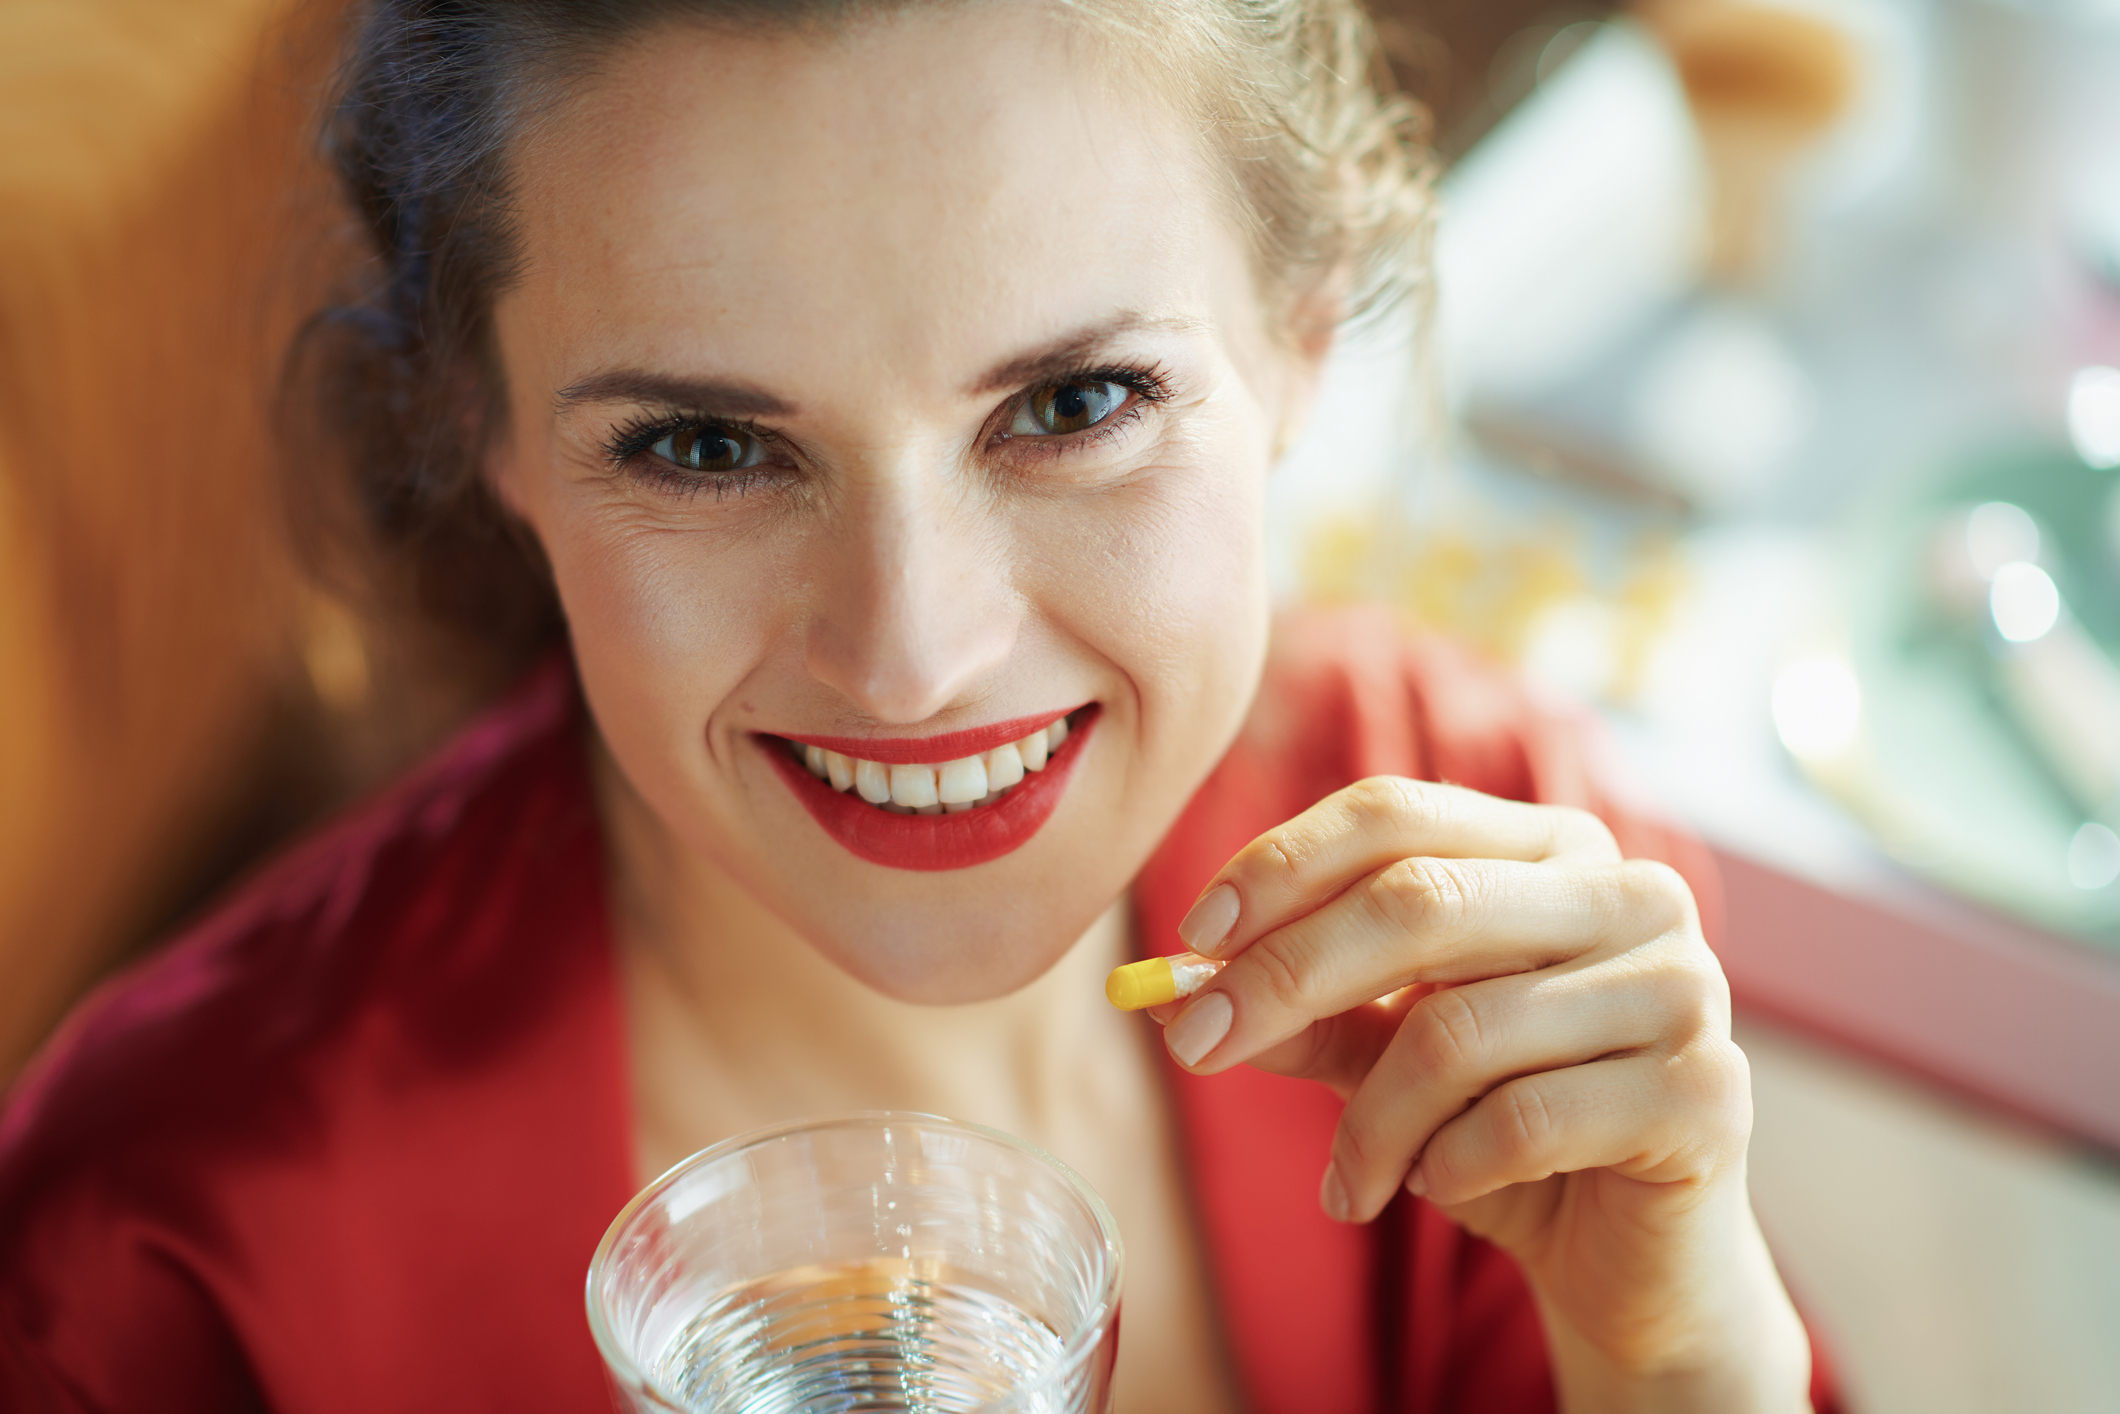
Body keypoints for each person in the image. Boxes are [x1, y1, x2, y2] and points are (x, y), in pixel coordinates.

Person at [0, 2, 1837, 1410]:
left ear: (1301, 335)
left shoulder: (1476, 883)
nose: (912, 655)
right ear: (483, 427)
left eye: (1071, 405)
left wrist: (1684, 1355)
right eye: (708, 445)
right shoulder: (164, 1261)